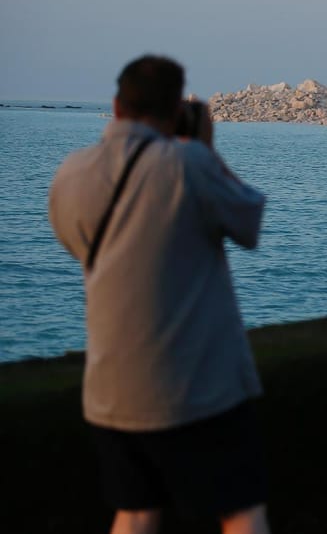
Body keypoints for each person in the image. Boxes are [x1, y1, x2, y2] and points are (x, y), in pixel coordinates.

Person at [48, 55, 271, 534]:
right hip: (198, 389)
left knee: (135, 512)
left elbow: (79, 248)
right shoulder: (188, 163)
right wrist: (206, 149)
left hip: (110, 389)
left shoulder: (71, 173)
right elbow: (249, 222)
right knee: (240, 510)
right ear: (176, 110)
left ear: (115, 105)